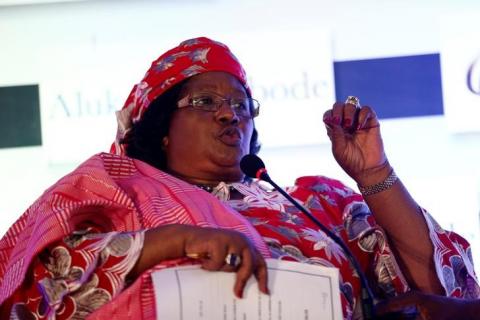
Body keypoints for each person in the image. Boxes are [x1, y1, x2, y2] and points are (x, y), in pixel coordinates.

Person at [0, 37, 478, 319]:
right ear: (162, 128)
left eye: (241, 105)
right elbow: (38, 290)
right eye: (205, 102)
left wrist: (374, 174)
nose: (230, 115)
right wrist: (172, 241)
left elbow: (445, 291)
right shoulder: (118, 193)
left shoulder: (312, 203)